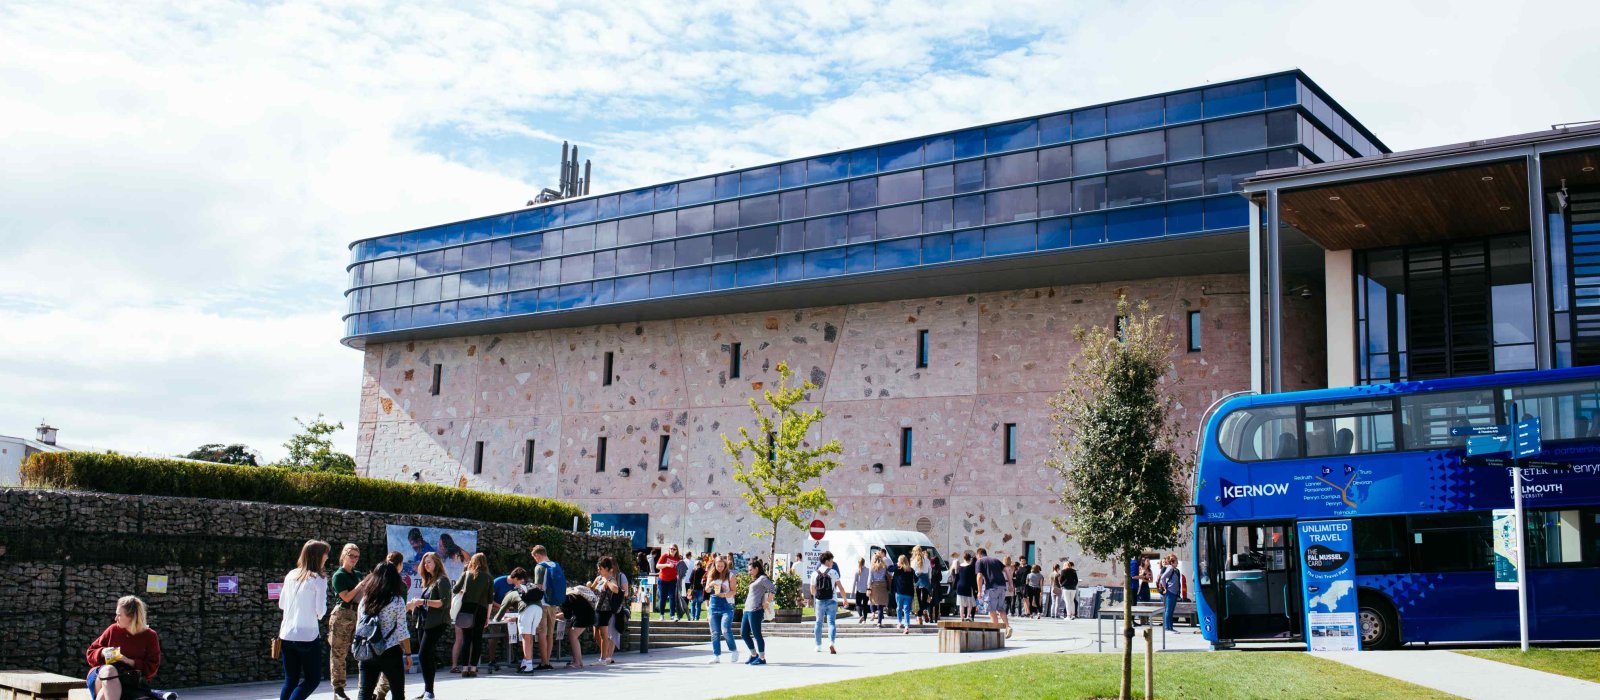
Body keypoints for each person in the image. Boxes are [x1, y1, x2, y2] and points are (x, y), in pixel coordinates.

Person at [85, 595, 174, 700]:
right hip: (100, 676)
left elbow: (152, 669)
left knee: (108, 690)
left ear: (131, 617)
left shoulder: (150, 636)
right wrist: (103, 651)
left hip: (127, 679)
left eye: (119, 615)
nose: (115, 618)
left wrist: (128, 661)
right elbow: (90, 653)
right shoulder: (113, 629)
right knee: (110, 670)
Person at [277, 539, 329, 700]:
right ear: (318, 556)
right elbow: (320, 612)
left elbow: (282, 604)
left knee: (290, 680)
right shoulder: (319, 579)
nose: (327, 557)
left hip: (286, 634)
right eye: (325, 553)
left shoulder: (291, 575)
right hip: (307, 635)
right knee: (312, 679)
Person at [353, 563, 412, 700]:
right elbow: (402, 631)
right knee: (397, 693)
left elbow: (359, 627)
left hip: (369, 651)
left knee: (364, 692)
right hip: (390, 650)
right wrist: (408, 654)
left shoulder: (365, 600)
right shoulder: (396, 601)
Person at [400, 552, 450, 699]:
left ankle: (430, 691)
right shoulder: (429, 581)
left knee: (424, 655)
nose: (426, 565)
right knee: (426, 656)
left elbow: (443, 603)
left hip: (437, 622)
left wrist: (422, 602)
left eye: (429, 562)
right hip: (424, 622)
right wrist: (415, 605)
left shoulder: (443, 580)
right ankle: (427, 689)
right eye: (425, 562)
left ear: (436, 563)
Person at [328, 544, 363, 700]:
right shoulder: (339, 575)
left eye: (357, 556)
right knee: (338, 653)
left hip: (358, 613)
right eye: (351, 556)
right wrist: (361, 585)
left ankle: (365, 686)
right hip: (343, 614)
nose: (354, 559)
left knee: (363, 652)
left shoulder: (357, 574)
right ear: (344, 555)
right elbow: (347, 597)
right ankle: (338, 688)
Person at [451, 553, 492, 676]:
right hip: (481, 610)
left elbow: (455, 590)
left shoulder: (466, 574)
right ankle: (473, 668)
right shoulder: (489, 578)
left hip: (466, 609)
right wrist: (487, 618)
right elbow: (490, 600)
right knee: (477, 639)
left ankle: (464, 668)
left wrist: (464, 590)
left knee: (466, 639)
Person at [530, 545, 566, 671]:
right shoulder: (556, 565)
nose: (535, 560)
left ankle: (544, 662)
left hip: (542, 604)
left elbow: (539, 587)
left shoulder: (540, 567)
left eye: (535, 558)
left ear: (538, 555)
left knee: (541, 633)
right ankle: (548, 661)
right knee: (550, 634)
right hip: (554, 604)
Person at [486, 567, 528, 665]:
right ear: (515, 578)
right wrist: (501, 607)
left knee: (511, 633)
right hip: (494, 610)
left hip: (508, 611)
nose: (520, 584)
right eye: (520, 581)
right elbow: (489, 599)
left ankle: (512, 658)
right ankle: (491, 660)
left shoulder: (516, 586)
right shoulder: (497, 582)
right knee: (494, 635)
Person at [588, 557, 626, 665]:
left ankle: (603, 658)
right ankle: (607, 654)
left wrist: (607, 581)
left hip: (606, 610)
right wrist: (589, 585)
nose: (598, 570)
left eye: (600, 568)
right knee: (596, 635)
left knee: (603, 635)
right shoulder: (598, 578)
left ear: (606, 568)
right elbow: (592, 589)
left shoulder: (611, 579)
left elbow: (616, 589)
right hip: (597, 608)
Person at [703, 556, 738, 663]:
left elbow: (734, 591)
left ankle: (734, 650)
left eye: (722, 566)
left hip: (727, 605)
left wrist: (724, 595)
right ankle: (716, 655)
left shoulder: (730, 575)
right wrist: (711, 584)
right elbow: (707, 590)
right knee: (714, 632)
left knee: (725, 630)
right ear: (715, 565)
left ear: (725, 565)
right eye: (718, 566)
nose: (720, 568)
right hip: (713, 606)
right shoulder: (711, 574)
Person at [811, 551, 845, 653]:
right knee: (831, 623)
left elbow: (812, 590)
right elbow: (840, 587)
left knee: (818, 623)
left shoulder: (814, 573)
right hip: (832, 600)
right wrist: (845, 599)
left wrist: (818, 596)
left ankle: (818, 646)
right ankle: (831, 642)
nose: (832, 563)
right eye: (831, 560)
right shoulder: (833, 572)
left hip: (820, 601)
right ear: (826, 561)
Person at [741, 559, 774, 665]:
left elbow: (773, 589)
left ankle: (762, 658)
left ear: (757, 568)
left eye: (751, 570)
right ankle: (753, 654)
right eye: (748, 570)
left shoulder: (763, 578)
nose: (749, 572)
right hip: (747, 610)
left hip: (755, 610)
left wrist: (767, 602)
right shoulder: (755, 579)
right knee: (744, 633)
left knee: (756, 634)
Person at [557, 585, 598, 668]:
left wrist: (554, 616)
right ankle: (578, 661)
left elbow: (567, 615)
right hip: (588, 614)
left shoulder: (564, 598)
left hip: (584, 616)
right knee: (573, 635)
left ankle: (577, 662)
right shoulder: (570, 594)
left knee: (573, 636)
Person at [975, 547, 1011, 637]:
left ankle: (996, 632)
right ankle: (1008, 627)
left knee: (992, 610)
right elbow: (1007, 569)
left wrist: (979, 591)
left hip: (991, 588)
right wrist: (1010, 584)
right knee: (1001, 608)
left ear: (978, 554)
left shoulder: (980, 561)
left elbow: (979, 576)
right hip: (1002, 586)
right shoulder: (995, 560)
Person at [889, 554, 917, 633]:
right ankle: (906, 626)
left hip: (899, 592)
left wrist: (896, 564)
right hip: (909, 593)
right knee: (907, 610)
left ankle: (899, 622)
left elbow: (889, 568)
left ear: (899, 561)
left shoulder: (898, 569)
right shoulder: (911, 570)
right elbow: (917, 579)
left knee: (899, 608)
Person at [655, 544, 682, 621]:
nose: (672, 550)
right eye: (671, 549)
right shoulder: (665, 556)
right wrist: (667, 565)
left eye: (674, 549)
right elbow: (657, 566)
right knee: (663, 598)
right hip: (663, 580)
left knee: (672, 598)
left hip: (673, 580)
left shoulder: (678, 558)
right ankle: (661, 615)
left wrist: (679, 574)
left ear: (676, 550)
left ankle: (672, 616)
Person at [1158, 554, 1182, 633]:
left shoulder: (1174, 569)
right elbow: (1163, 577)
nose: (1177, 563)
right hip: (1170, 592)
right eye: (1176, 562)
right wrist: (1165, 588)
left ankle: (1170, 627)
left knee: (1171, 610)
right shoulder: (1170, 568)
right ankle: (1167, 628)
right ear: (1172, 562)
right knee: (1168, 610)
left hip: (1174, 592)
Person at [867, 552, 889, 627]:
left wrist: (868, 587)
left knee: (872, 600)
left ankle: (873, 613)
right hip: (883, 585)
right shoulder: (884, 566)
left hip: (875, 585)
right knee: (880, 605)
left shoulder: (872, 567)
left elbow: (870, 578)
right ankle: (879, 622)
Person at [954, 552, 977, 621]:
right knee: (969, 603)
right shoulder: (971, 567)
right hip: (968, 586)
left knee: (961, 604)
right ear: (969, 559)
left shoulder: (959, 567)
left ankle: (962, 618)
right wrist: (975, 588)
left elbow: (957, 577)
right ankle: (968, 616)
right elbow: (973, 579)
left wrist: (955, 586)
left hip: (960, 586)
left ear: (963, 558)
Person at [910, 547, 931, 623]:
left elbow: (912, 571)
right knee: (925, 598)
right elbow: (930, 570)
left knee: (918, 598)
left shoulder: (913, 561)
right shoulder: (927, 560)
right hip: (925, 578)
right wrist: (929, 579)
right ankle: (924, 610)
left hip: (917, 578)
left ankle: (919, 617)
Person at [687, 553, 708, 621]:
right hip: (701, 589)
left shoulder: (694, 571)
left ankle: (693, 616)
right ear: (701, 565)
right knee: (699, 605)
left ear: (696, 565)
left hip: (694, 589)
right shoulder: (704, 571)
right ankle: (697, 617)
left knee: (693, 604)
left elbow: (690, 579)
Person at [850, 557, 870, 624]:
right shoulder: (868, 570)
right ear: (864, 562)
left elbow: (854, 582)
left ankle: (861, 616)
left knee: (858, 604)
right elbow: (870, 581)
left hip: (859, 591)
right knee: (865, 606)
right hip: (866, 591)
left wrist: (852, 592)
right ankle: (864, 620)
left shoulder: (856, 571)